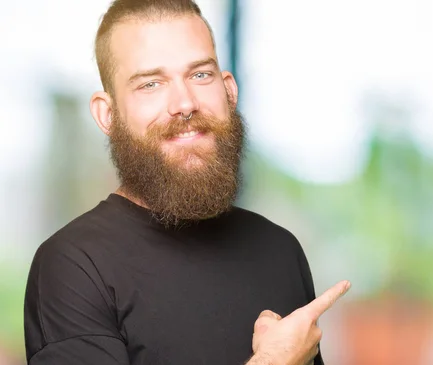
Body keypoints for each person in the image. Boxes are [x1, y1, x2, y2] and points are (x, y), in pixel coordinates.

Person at [23, 0, 350, 364]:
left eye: (199, 75)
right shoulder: (73, 266)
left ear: (229, 90)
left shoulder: (280, 249)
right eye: (151, 83)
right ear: (108, 114)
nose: (184, 103)